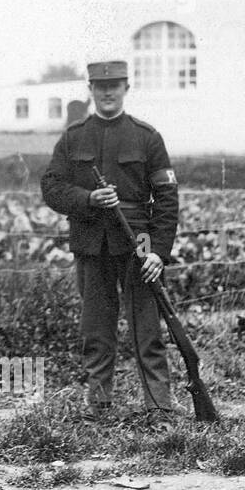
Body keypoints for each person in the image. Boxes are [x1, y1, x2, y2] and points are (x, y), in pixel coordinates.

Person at [40, 60, 180, 420]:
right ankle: (99, 405)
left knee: (147, 325)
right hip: (91, 241)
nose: (107, 92)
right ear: (90, 89)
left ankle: (159, 404)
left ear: (126, 88)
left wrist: (159, 253)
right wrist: (87, 200)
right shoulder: (74, 136)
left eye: (115, 85)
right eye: (100, 86)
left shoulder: (147, 137)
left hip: (140, 240)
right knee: (96, 328)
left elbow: (166, 199)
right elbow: (51, 187)